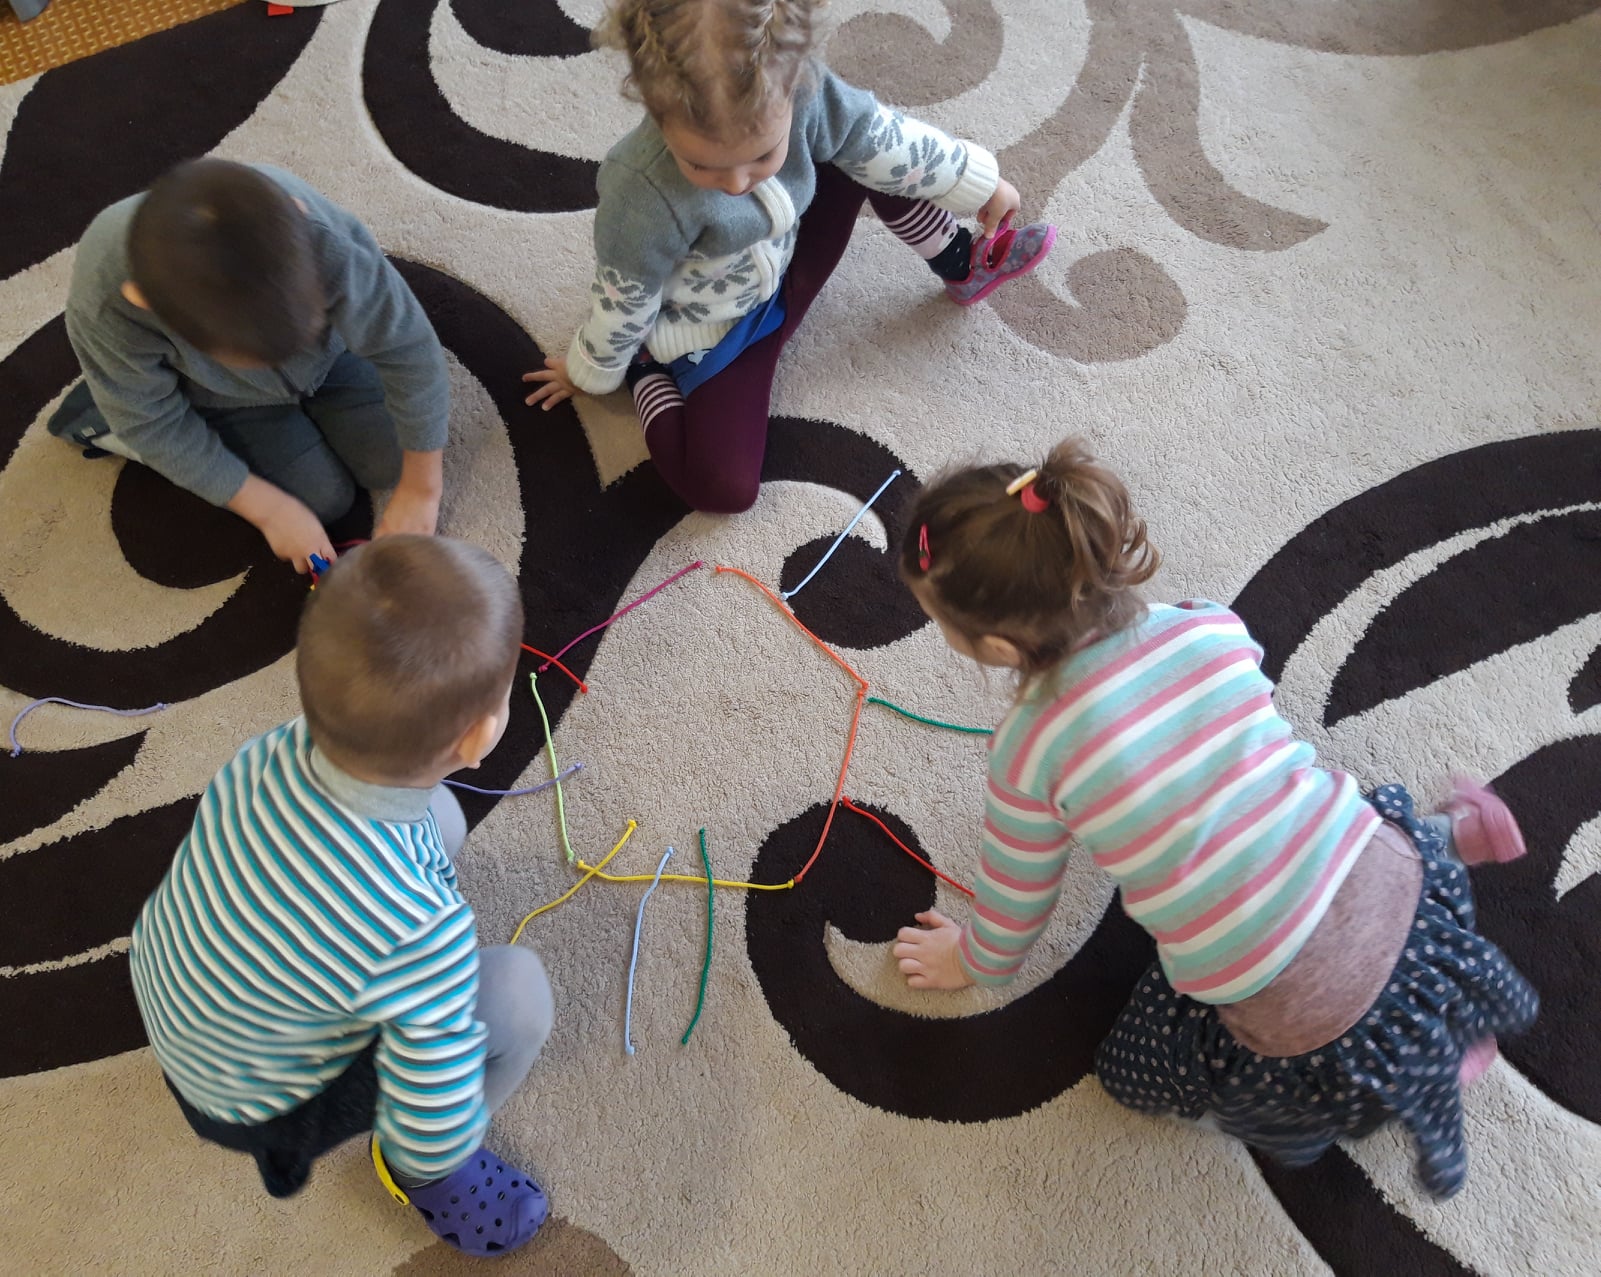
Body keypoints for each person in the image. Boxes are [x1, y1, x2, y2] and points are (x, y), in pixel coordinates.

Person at [890, 440, 1538, 1198]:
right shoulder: (1207, 626)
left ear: (999, 646)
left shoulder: (1027, 750)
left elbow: (1016, 899)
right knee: (1341, 817)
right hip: (1394, 884)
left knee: (1128, 1074)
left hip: (1297, 1013)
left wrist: (972, 962)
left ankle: (1392, 1067)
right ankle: (1449, 842)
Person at [127, 535, 551, 1257]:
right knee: (520, 993)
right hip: (261, 1104)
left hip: (176, 992)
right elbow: (430, 1098)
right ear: (479, 736)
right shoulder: (419, 932)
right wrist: (434, 1150)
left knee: (439, 814)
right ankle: (432, 1181)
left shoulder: (263, 753)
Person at [523, 0, 1056, 513]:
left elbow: (883, 139)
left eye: (761, 155)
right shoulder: (638, 194)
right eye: (702, 165)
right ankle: (646, 372)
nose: (737, 184)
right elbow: (623, 297)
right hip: (715, 338)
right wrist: (593, 369)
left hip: (788, 263)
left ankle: (959, 261)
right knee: (724, 489)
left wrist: (980, 183)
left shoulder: (803, 89)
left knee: (873, 154)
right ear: (654, 108)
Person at [52, 158, 450, 573]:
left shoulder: (318, 232)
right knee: (324, 499)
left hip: (332, 360)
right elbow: (152, 424)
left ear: (299, 213)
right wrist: (269, 511)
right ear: (145, 303)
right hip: (220, 397)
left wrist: (422, 490)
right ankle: (97, 411)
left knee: (396, 458)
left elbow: (408, 347)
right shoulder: (105, 305)